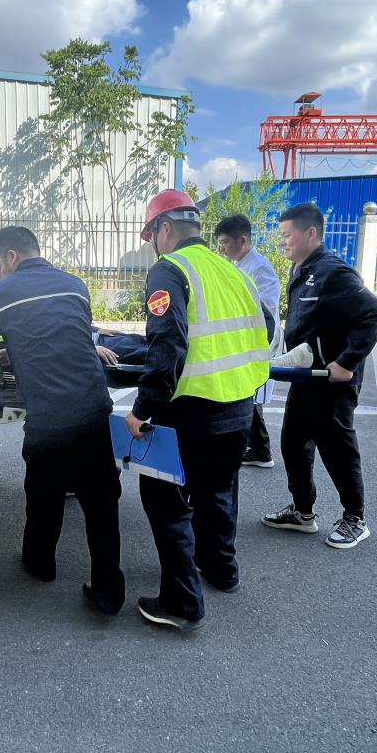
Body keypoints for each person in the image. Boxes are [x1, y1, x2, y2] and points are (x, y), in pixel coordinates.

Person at [0, 226, 126, 614]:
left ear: (11, 256)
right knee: (101, 502)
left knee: (44, 496)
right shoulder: (75, 285)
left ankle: (40, 566)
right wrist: (17, 347)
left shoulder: (3, 292)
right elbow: (64, 336)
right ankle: (108, 592)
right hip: (94, 406)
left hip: (50, 414)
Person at [124, 190, 271, 632]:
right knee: (218, 493)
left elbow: (167, 342)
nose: (154, 245)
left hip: (189, 412)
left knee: (165, 501)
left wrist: (143, 409)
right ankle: (222, 570)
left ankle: (181, 602)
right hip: (239, 406)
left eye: (152, 236)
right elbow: (264, 327)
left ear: (164, 229)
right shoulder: (233, 270)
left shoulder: (170, 269)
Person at [262, 202, 377, 549]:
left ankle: (355, 519)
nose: (282, 241)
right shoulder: (301, 270)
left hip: (333, 381)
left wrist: (346, 362)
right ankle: (303, 512)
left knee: (337, 450)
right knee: (293, 444)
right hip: (306, 377)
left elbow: (375, 314)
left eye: (287, 234)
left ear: (311, 233)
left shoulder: (333, 272)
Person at [215, 213, 282, 469]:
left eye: (225, 243)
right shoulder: (238, 266)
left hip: (257, 343)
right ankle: (258, 449)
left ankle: (261, 449)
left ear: (242, 240)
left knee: (249, 395)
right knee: (247, 395)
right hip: (242, 342)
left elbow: (266, 310)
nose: (222, 249)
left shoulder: (259, 268)